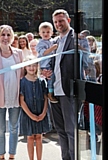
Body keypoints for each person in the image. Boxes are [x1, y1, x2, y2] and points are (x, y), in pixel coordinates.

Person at [43, 9, 76, 160]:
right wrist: (46, 71)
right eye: (56, 22)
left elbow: (86, 63)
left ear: (68, 21)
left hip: (69, 91)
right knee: (60, 130)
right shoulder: (54, 42)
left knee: (71, 130)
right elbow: (50, 62)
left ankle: (74, 157)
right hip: (54, 90)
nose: (58, 24)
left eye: (61, 21)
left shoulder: (76, 38)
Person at [0, 25, 24, 160]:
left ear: (12, 37)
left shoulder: (19, 53)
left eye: (8, 35)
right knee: (0, 129)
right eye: (3, 35)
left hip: (15, 95)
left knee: (14, 128)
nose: (5, 38)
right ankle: (1, 155)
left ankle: (12, 155)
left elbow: (23, 74)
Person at [19, 55, 51, 160]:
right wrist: (31, 115)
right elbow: (21, 101)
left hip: (40, 112)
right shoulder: (22, 82)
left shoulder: (41, 81)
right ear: (25, 67)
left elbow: (45, 98)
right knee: (30, 137)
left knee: (39, 137)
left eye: (34, 65)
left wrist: (43, 113)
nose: (31, 68)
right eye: (29, 66)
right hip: (28, 114)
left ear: (37, 66)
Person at [36, 22, 58, 103]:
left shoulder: (53, 41)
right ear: (39, 33)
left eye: (48, 32)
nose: (46, 34)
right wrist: (52, 48)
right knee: (50, 77)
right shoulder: (40, 43)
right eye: (43, 32)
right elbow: (44, 53)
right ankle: (50, 93)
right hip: (44, 65)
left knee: (53, 77)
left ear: (52, 33)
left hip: (52, 64)